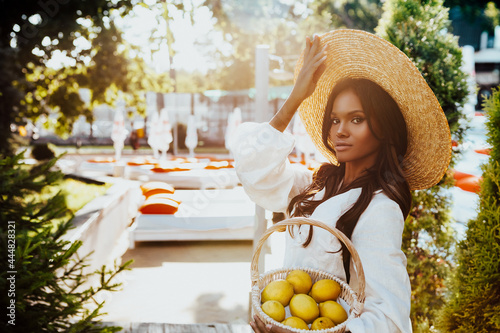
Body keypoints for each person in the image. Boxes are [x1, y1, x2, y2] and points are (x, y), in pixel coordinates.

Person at [232, 29, 451, 333]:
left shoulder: (379, 208)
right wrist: (297, 95)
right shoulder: (316, 184)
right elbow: (254, 171)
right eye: (335, 119)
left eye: (356, 119)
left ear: (385, 128)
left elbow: (389, 320)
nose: (340, 131)